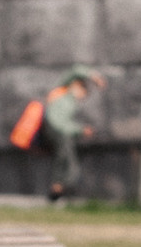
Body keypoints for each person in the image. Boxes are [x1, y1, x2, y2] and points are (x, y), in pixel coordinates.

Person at [41, 68, 104, 203]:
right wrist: (93, 76)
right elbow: (75, 70)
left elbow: (66, 123)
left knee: (66, 162)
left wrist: (80, 130)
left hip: (62, 133)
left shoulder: (72, 103)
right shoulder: (63, 89)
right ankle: (57, 190)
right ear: (76, 86)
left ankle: (58, 190)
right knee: (67, 163)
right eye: (83, 92)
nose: (82, 96)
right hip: (55, 129)